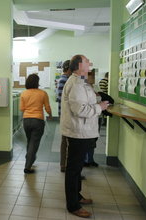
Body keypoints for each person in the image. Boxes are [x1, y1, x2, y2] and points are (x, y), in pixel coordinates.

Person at [61, 55, 108, 218]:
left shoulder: (82, 81)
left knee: (77, 168)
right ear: (79, 65)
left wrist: (100, 100)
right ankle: (72, 205)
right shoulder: (75, 84)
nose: (90, 63)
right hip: (78, 132)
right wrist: (99, 107)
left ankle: (77, 196)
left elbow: (88, 101)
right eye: (87, 61)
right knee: (73, 169)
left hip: (84, 132)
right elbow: (80, 109)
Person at [20, 74, 52, 174]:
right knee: (34, 143)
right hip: (38, 120)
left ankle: (29, 160)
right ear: (37, 82)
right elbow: (47, 107)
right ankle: (27, 167)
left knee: (30, 141)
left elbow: (21, 108)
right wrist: (50, 115)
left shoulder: (24, 93)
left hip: (26, 120)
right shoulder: (43, 93)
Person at [56, 60, 71, 173]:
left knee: (66, 141)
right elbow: (62, 99)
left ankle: (65, 164)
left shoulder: (65, 80)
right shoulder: (64, 80)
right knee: (65, 141)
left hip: (66, 115)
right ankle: (64, 165)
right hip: (66, 116)